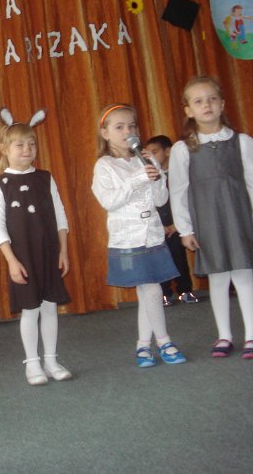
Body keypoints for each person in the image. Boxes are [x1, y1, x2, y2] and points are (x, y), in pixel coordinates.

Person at [92, 103, 187, 369]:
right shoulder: (105, 166)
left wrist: (156, 177)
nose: (128, 132)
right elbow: (109, 201)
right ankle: (165, 341)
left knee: (148, 292)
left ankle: (143, 346)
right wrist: (137, 178)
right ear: (105, 133)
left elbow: (161, 199)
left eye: (132, 126)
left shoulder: (145, 159)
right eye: (119, 127)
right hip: (128, 238)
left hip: (153, 235)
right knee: (151, 289)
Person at [169, 75, 253, 359]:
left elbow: (251, 183)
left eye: (212, 99)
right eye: (198, 101)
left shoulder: (241, 142)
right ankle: (224, 336)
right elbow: (178, 191)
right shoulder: (183, 149)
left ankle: (251, 335)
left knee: (244, 275)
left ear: (222, 104)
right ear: (189, 110)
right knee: (218, 278)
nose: (207, 105)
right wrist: (185, 229)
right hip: (208, 221)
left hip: (239, 218)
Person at [0, 123, 72, 386]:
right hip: (22, 256)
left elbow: (60, 216)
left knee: (49, 307)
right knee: (30, 309)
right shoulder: (1, 184)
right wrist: (11, 261)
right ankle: (32, 363)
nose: (27, 149)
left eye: (31, 143)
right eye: (20, 144)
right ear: (5, 149)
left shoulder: (45, 178)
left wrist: (63, 251)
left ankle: (51, 360)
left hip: (48, 253)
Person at [144, 135, 197, 306]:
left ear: (167, 151)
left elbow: (186, 201)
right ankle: (165, 293)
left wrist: (177, 225)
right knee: (160, 261)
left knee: (179, 259)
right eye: (148, 154)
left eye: (155, 152)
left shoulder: (178, 174)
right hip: (157, 227)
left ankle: (185, 290)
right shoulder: (150, 177)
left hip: (177, 227)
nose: (152, 156)